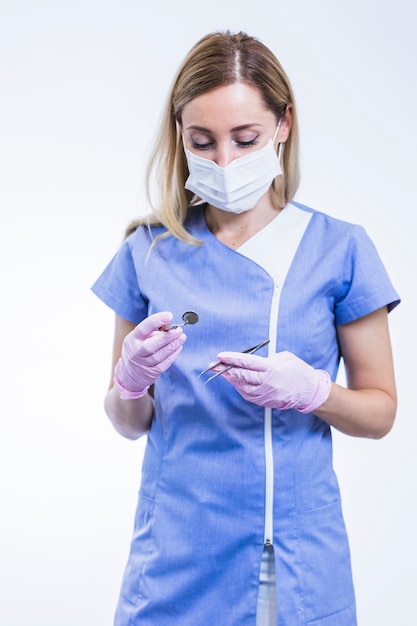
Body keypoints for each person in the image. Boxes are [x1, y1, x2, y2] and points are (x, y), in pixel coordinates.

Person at [92, 31, 400, 626]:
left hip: (292, 560)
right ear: (179, 135)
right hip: (176, 555)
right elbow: (129, 424)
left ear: (284, 125)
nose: (224, 162)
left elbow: (380, 412)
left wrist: (315, 392)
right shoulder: (148, 251)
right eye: (202, 142)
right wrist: (128, 383)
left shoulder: (339, 249)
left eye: (246, 138)